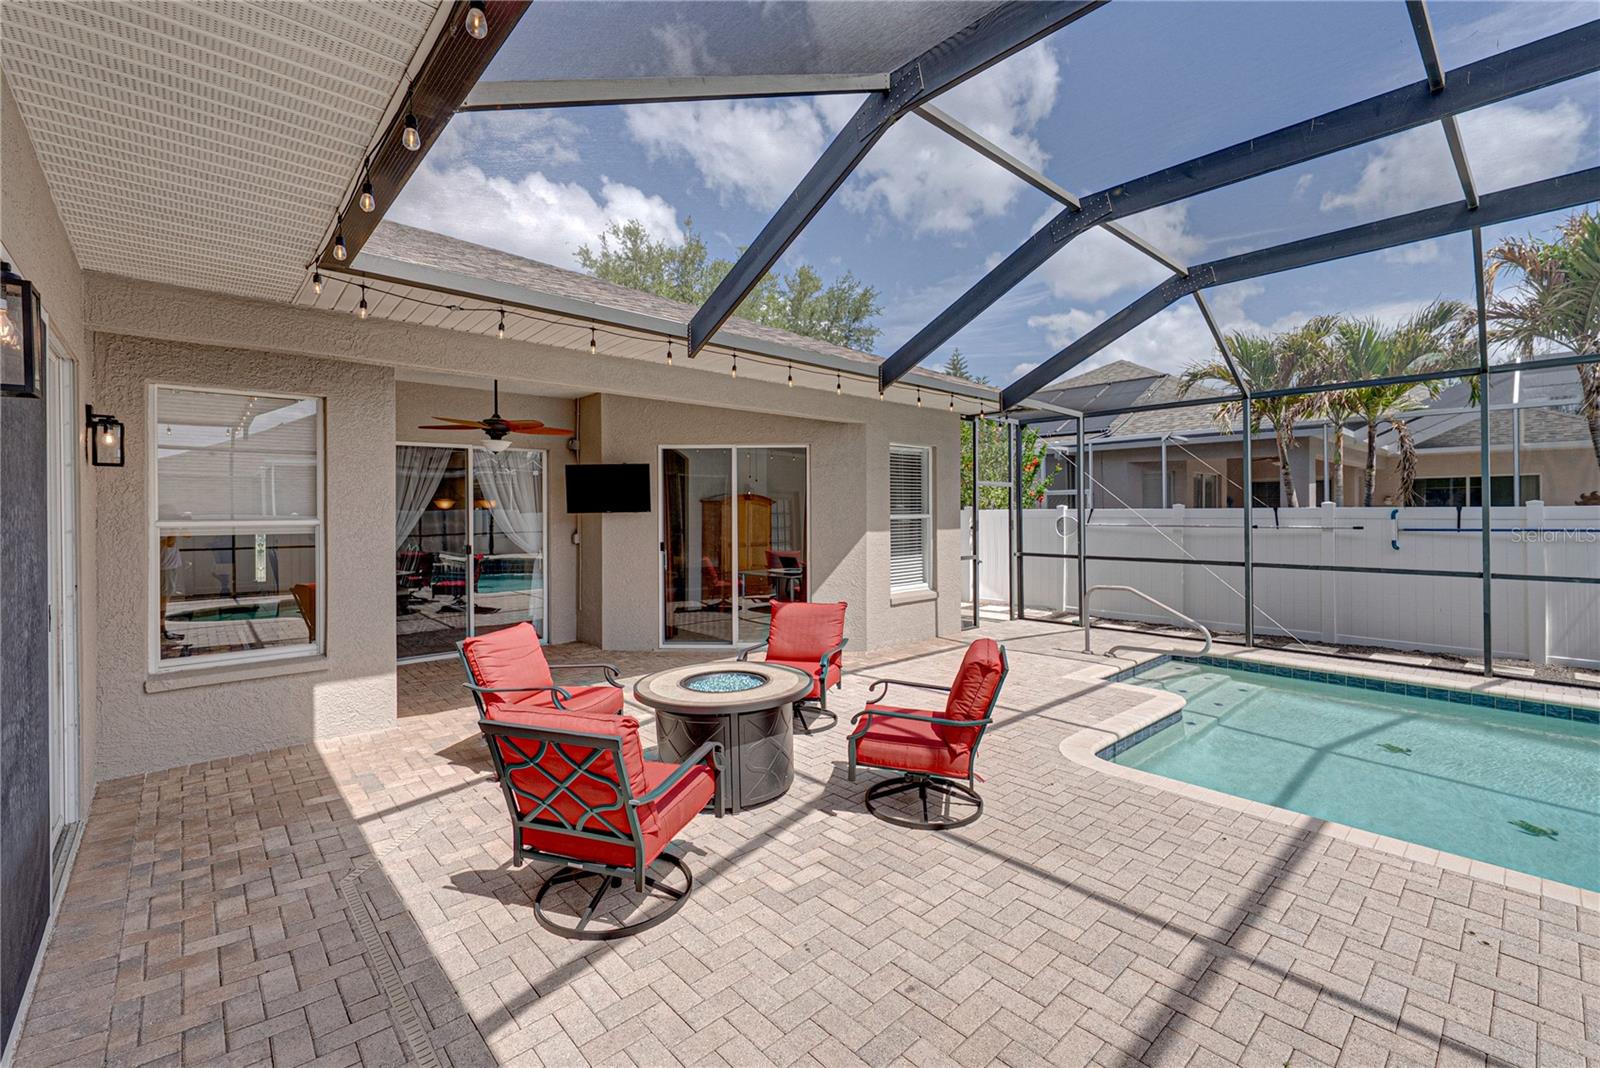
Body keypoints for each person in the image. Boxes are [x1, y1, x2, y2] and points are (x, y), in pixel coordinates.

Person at [159, 535, 184, 641]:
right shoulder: (165, 531)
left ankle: (161, 629)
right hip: (166, 568)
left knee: (164, 599)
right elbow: (170, 542)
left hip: (169, 567)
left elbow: (188, 535)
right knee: (163, 600)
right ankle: (162, 629)